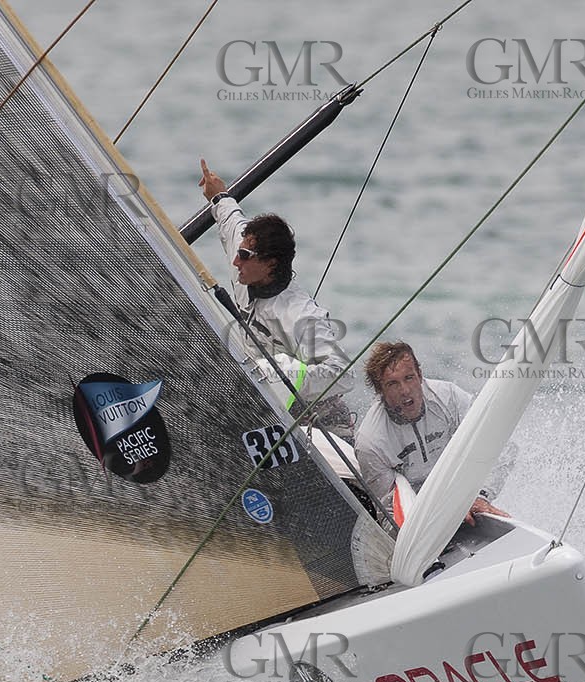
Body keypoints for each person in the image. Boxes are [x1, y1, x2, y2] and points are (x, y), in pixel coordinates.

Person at [198, 160, 355, 437]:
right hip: (265, 406)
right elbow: (229, 217)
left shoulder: (301, 315)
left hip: (319, 421)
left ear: (270, 264)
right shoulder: (246, 258)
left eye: (244, 257)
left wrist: (285, 374)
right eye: (240, 252)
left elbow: (341, 374)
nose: (235, 261)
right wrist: (217, 194)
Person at [355, 341, 513, 525]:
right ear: (379, 390)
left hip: (464, 498)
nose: (405, 390)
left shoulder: (450, 398)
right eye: (392, 384)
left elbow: (503, 449)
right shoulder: (371, 441)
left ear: (420, 375)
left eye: (409, 378)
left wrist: (481, 497)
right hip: (417, 519)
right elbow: (389, 514)